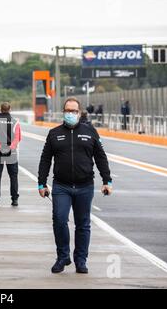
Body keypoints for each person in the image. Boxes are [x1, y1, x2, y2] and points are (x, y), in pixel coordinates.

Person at [37, 97, 113, 274]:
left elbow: (101, 157)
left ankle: (81, 260)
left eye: (74, 111)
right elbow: (45, 159)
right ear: (63, 113)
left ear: (79, 113)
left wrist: (107, 181)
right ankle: (63, 256)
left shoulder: (90, 131)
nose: (71, 114)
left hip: (85, 186)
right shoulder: (54, 133)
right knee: (59, 219)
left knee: (83, 224)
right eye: (68, 111)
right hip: (61, 186)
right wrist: (41, 183)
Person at [0, 102, 21, 207]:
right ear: (10, 109)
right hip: (11, 151)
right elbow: (18, 138)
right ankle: (14, 199)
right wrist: (10, 147)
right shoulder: (15, 121)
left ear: (0, 109)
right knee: (13, 176)